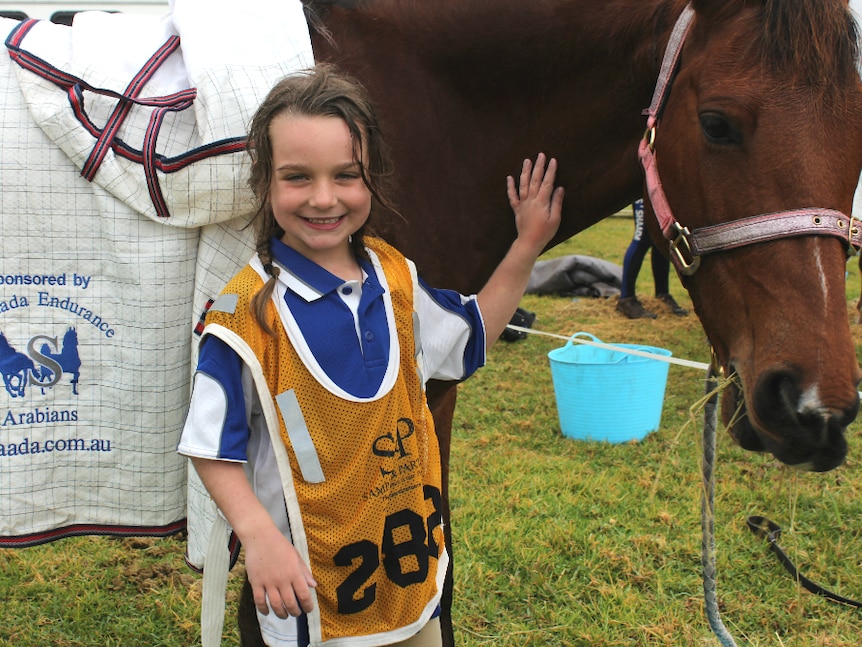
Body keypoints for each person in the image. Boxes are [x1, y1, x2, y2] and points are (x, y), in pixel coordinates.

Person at [177, 64, 563, 647]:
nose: (324, 198)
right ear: (265, 183)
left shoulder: (397, 278)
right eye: (297, 177)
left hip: (411, 596)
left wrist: (528, 244)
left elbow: (472, 334)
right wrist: (257, 536)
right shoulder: (242, 320)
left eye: (346, 175)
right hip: (306, 607)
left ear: (371, 177)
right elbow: (211, 450)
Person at [616, 198, 688, 319]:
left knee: (661, 239)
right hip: (643, 189)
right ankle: (626, 299)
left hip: (660, 189)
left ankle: (662, 294)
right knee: (641, 237)